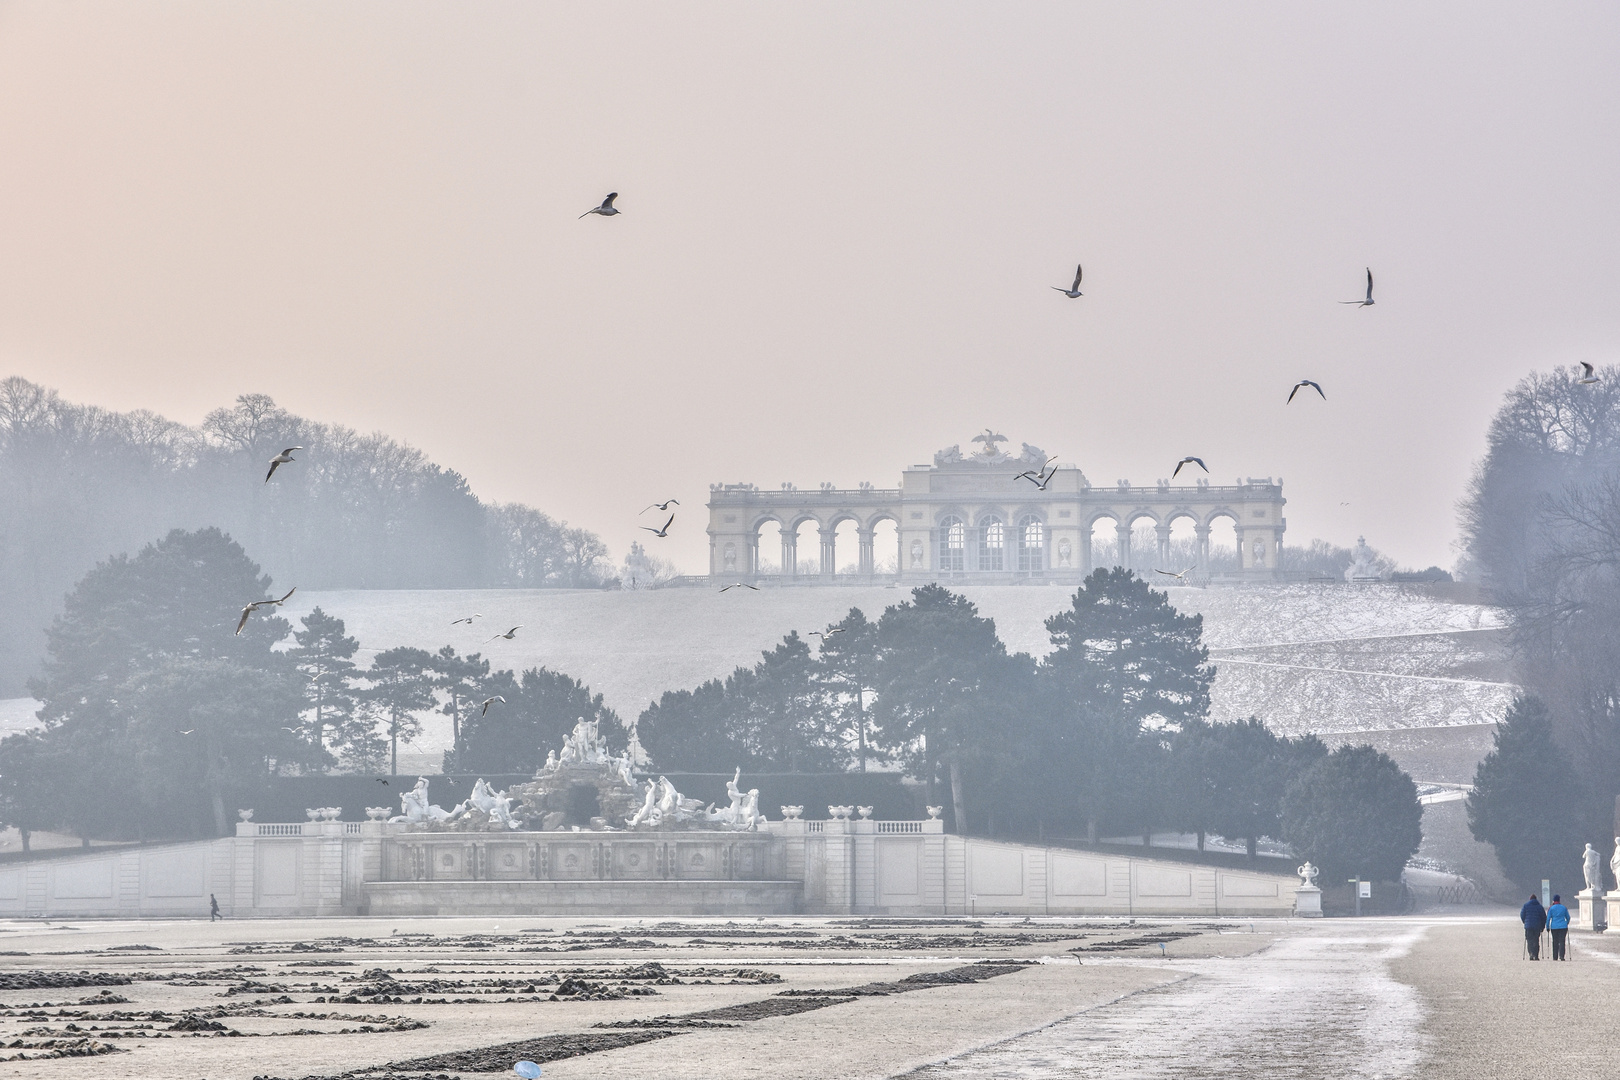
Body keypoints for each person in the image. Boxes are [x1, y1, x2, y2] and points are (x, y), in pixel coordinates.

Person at [1520, 893, 1546, 959]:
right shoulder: (1540, 906)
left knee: (1529, 940)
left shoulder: (1525, 906)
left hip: (1528, 926)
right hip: (1537, 926)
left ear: (1530, 899)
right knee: (1536, 940)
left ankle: (1531, 953)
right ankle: (1536, 955)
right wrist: (1542, 926)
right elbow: (1543, 917)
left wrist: (1525, 922)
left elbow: (1522, 915)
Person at [1547, 894, 1570, 960]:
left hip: (1554, 927)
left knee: (1555, 941)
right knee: (1562, 941)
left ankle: (1555, 956)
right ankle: (1562, 956)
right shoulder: (1563, 907)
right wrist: (1566, 923)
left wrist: (1547, 927)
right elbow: (1568, 917)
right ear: (1559, 900)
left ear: (1553, 901)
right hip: (1563, 926)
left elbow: (1548, 918)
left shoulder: (1551, 908)